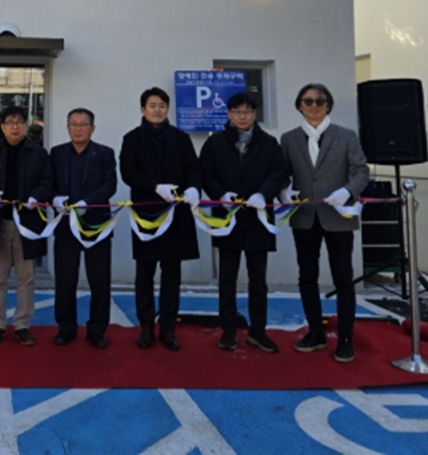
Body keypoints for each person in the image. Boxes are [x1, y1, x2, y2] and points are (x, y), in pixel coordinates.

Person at [281, 82, 370, 363]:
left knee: (343, 278)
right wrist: (284, 192)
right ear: (299, 106)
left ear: (328, 105)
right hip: (305, 217)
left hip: (338, 217)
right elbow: (282, 173)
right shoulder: (289, 139)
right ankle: (315, 332)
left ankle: (345, 339)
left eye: (319, 101)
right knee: (307, 277)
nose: (314, 106)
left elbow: (361, 171)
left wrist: (347, 191)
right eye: (308, 101)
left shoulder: (346, 136)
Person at [199, 92, 289, 353]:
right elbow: (205, 173)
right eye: (237, 111)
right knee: (227, 278)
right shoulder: (215, 143)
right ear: (228, 114)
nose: (242, 116)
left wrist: (264, 194)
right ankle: (228, 331)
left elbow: (280, 172)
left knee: (258, 280)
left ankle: (258, 332)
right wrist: (220, 194)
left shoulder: (269, 143)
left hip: (258, 218)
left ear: (254, 114)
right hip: (227, 218)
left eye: (247, 111)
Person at [119, 86, 201, 351]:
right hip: (147, 214)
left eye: (162, 106)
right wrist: (154, 186)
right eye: (152, 105)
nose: (157, 110)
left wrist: (194, 188)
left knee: (172, 275)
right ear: (143, 109)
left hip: (176, 214)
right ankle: (145, 328)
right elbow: (128, 172)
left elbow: (193, 169)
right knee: (144, 273)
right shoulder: (132, 139)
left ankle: (168, 329)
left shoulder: (180, 138)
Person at [0, 106, 53, 347]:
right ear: (2, 127)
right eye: (9, 122)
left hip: (27, 221)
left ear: (26, 125)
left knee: (26, 277)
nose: (14, 126)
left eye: (19, 122)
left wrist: (36, 196)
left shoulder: (38, 153)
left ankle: (22, 324)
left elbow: (47, 181)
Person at [50, 107, 117, 349]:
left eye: (83, 124)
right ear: (67, 128)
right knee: (65, 279)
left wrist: (87, 203)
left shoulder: (104, 153)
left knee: (99, 280)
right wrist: (55, 198)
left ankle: (97, 330)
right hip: (66, 225)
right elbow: (49, 182)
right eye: (74, 124)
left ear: (92, 128)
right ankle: (66, 328)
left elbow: (110, 185)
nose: (78, 129)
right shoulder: (57, 153)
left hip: (96, 224)